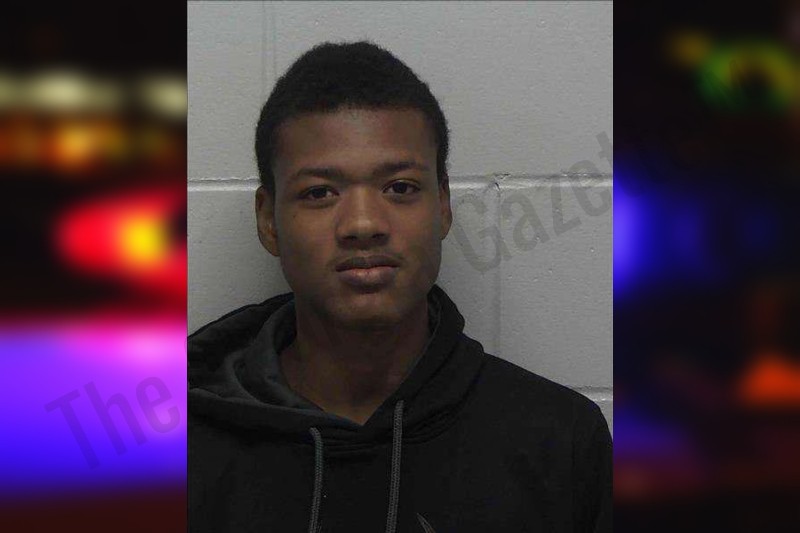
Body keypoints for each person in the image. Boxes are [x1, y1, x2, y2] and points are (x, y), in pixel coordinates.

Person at [188, 41, 611, 533]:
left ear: (443, 205)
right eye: (319, 192)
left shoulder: (560, 443)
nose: (363, 224)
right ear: (268, 220)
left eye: (400, 188)